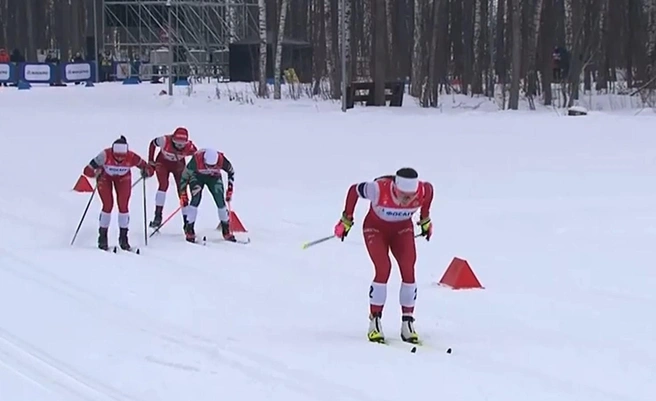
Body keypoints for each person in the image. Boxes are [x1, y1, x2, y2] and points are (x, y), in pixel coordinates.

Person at [333, 167, 434, 344]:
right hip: (376, 229)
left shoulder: (425, 191)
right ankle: (375, 320)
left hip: (402, 230)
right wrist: (346, 219)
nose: (406, 200)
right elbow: (353, 190)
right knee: (383, 268)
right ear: (395, 187)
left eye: (410, 196)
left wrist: (425, 221)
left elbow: (426, 203)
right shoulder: (378, 189)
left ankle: (407, 322)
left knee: (408, 269)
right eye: (402, 195)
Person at [83, 136, 154, 250]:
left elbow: (149, 169)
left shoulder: (132, 156)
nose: (119, 160)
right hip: (105, 177)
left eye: (122, 158)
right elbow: (87, 170)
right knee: (107, 205)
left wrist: (146, 172)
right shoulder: (104, 155)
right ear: (112, 152)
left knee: (123, 206)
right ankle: (102, 237)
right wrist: (96, 173)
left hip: (123, 179)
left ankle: (123, 237)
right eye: (116, 157)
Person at [178, 148, 236, 243]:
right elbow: (184, 176)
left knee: (220, 200)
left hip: (214, 177)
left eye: (213, 165)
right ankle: (189, 229)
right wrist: (183, 194)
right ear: (204, 160)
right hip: (197, 176)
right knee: (196, 198)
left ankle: (226, 230)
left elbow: (231, 171)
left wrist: (230, 189)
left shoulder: (221, 160)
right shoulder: (196, 159)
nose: (210, 167)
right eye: (208, 165)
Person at [147, 127, 198, 229]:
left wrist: (192, 170)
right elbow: (153, 144)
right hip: (162, 163)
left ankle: (186, 220)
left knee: (182, 190)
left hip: (178, 165)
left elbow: (196, 157)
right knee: (163, 185)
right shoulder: (164, 140)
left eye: (182, 144)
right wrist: (151, 161)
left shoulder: (190, 147)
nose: (179, 146)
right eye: (177, 143)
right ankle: (158, 216)